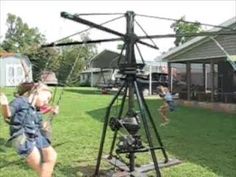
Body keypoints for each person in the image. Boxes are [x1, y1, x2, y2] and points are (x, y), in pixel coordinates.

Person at [0, 82, 57, 177]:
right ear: (37, 92)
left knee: (52, 156)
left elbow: (39, 126)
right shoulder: (20, 101)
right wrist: (5, 105)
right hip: (22, 137)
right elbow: (8, 115)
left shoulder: (36, 109)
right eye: (46, 98)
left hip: (36, 135)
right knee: (37, 160)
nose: (47, 102)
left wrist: (49, 118)